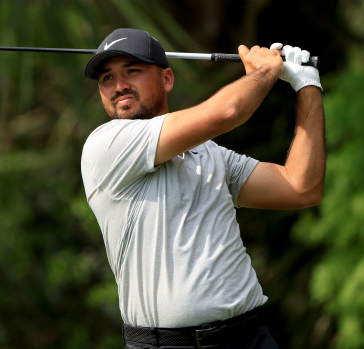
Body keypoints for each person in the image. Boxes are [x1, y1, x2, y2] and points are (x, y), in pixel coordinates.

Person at [80, 28, 325, 349]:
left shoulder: (209, 154)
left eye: (132, 71)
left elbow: (300, 187)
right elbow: (227, 111)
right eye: (107, 79)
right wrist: (267, 70)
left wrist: (307, 84)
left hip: (249, 338)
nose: (119, 86)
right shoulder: (106, 145)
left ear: (167, 79)